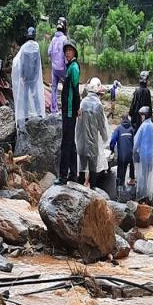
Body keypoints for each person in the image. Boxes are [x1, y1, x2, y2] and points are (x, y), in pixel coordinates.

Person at [76, 77, 111, 188]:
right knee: (92, 169)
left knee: (81, 168)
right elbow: (102, 126)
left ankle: (78, 190)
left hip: (81, 142)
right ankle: (93, 190)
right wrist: (106, 139)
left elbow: (78, 123)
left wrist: (76, 139)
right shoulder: (98, 105)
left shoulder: (83, 103)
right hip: (93, 145)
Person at [11, 27, 44, 131]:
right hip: (33, 77)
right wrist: (36, 76)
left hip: (25, 77)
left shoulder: (24, 47)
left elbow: (20, 62)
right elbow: (38, 63)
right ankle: (39, 114)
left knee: (25, 97)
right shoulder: (37, 47)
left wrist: (21, 76)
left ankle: (25, 115)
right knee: (35, 96)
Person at [57, 39, 81, 184]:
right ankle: (73, 175)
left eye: (69, 50)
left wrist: (77, 107)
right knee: (71, 143)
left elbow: (76, 90)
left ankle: (63, 177)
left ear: (74, 52)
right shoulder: (70, 67)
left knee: (66, 143)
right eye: (66, 51)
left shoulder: (74, 68)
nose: (67, 53)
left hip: (70, 111)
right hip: (68, 109)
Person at [132, 106, 153, 201]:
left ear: (144, 115)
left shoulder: (144, 126)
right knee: (147, 176)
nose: (141, 117)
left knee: (142, 176)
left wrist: (133, 151)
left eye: (141, 115)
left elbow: (137, 142)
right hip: (150, 155)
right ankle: (147, 196)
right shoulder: (151, 125)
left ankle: (141, 196)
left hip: (143, 154)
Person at [110, 113, 135, 195]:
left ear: (122, 119)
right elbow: (134, 141)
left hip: (122, 155)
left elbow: (113, 140)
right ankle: (131, 179)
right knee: (129, 165)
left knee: (121, 169)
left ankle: (119, 189)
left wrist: (112, 149)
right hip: (130, 155)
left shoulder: (118, 129)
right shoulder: (131, 129)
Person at [49, 17, 67, 114]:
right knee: (65, 87)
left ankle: (54, 109)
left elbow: (49, 52)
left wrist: (53, 59)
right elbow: (66, 55)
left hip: (54, 68)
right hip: (62, 68)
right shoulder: (65, 39)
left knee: (54, 88)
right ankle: (64, 107)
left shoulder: (53, 39)